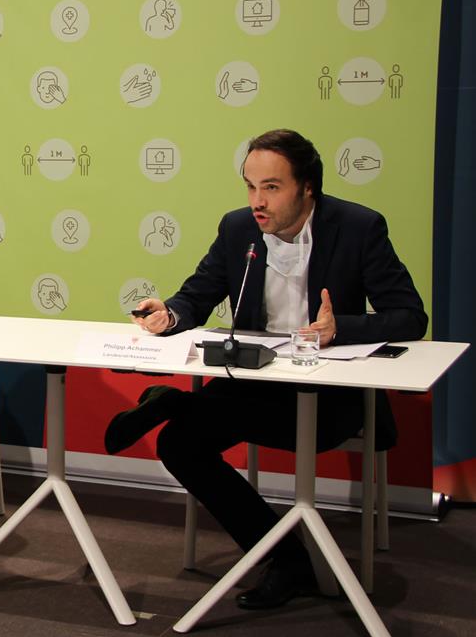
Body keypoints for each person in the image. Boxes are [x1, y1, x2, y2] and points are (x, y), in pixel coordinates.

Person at [104, 129, 426, 609]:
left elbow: (410, 316)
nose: (258, 201)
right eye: (251, 186)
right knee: (178, 443)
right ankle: (288, 559)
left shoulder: (358, 227)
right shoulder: (238, 229)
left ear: (307, 187)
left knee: (222, 422)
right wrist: (169, 315)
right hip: (255, 379)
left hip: (329, 390)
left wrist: (341, 328)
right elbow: (198, 294)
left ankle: (176, 402)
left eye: (271, 187)